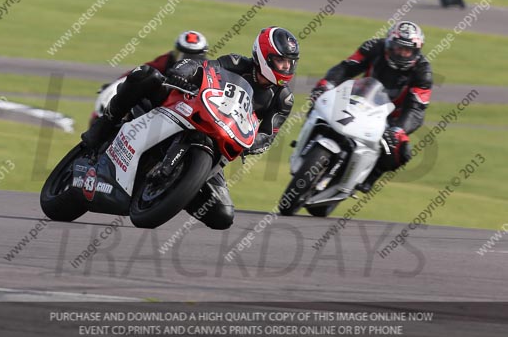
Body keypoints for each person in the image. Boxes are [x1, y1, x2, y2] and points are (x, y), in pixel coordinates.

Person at [81, 26, 300, 229]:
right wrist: (186, 70)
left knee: (222, 216)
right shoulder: (236, 63)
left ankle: (179, 190)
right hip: (190, 110)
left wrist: (254, 143)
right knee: (146, 75)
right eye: (280, 61)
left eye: (290, 62)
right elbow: (206, 67)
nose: (286, 67)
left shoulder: (283, 98)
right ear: (263, 56)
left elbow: (269, 134)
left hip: (220, 140)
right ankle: (103, 125)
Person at [310, 21, 432, 193]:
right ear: (389, 43)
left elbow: (416, 109)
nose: (403, 54)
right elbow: (346, 68)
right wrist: (326, 84)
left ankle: (371, 176)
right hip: (360, 98)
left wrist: (399, 129)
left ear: (417, 51)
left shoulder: (423, 72)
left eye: (408, 51)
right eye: (399, 48)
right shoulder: (373, 47)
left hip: (392, 116)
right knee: (321, 99)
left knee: (402, 150)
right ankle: (309, 139)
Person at [89, 30, 209, 126]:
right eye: (180, 54)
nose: (184, 59)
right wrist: (115, 84)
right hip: (159, 106)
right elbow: (141, 71)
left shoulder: (206, 70)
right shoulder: (167, 60)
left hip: (187, 110)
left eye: (190, 55)